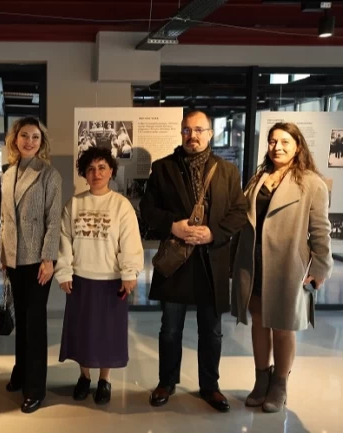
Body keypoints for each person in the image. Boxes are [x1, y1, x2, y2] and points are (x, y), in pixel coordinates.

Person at [139, 110, 247, 413]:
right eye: (187, 130)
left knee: (212, 330)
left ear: (210, 134)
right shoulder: (163, 168)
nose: (192, 136)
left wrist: (214, 233)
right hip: (177, 260)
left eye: (199, 130)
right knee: (170, 329)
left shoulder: (227, 171)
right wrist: (173, 226)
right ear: (181, 133)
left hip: (212, 261)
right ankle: (166, 382)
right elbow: (147, 209)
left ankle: (210, 386)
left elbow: (239, 211)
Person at [231, 122, 333, 413]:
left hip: (288, 265)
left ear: (298, 146)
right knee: (259, 321)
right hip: (254, 262)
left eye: (285, 142)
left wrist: (320, 268)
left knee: (283, 325)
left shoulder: (311, 183)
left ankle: (279, 384)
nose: (277, 147)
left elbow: (320, 230)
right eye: (273, 141)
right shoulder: (258, 179)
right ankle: (261, 379)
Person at [54, 146, 144, 405]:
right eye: (91, 169)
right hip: (81, 279)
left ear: (111, 171)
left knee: (108, 334)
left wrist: (129, 272)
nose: (97, 173)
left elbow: (130, 242)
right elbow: (64, 240)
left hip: (111, 281)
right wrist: (64, 271)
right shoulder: (74, 204)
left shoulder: (121, 205)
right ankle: (84, 376)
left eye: (102, 167)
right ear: (84, 174)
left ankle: (105, 379)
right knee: (82, 332)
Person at [0, 116, 62, 413]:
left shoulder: (49, 175)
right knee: (21, 319)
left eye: (35, 137)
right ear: (15, 139)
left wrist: (49, 259)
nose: (29, 141)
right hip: (14, 258)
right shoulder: (8, 173)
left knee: (34, 323)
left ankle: (35, 388)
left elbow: (54, 220)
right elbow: (5, 219)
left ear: (41, 142)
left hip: (38, 260)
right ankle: (21, 371)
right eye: (24, 135)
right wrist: (3, 255)